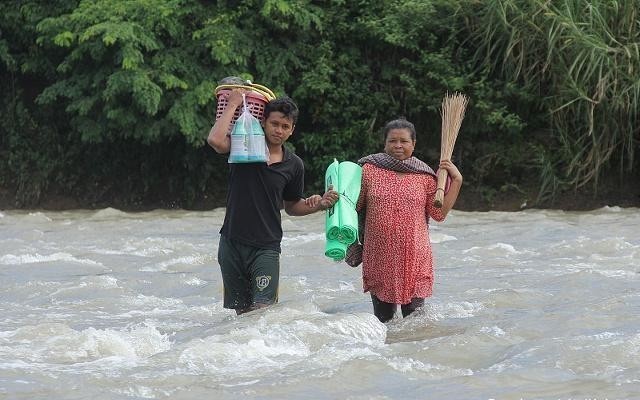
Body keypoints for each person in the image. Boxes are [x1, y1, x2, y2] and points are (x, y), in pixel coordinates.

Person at [207, 89, 339, 315]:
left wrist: (317, 204)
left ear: (292, 130)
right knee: (242, 313)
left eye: (285, 127)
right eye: (274, 124)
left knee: (263, 310)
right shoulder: (244, 146)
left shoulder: (294, 165)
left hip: (266, 246)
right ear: (263, 122)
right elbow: (216, 140)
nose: (279, 130)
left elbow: (291, 206)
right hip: (231, 243)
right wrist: (233, 105)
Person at [349, 117, 463, 323]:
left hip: (415, 258)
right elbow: (353, 207)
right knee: (384, 321)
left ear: (414, 144)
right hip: (379, 256)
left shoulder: (426, 177)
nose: (398, 146)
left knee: (415, 323)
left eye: (404, 141)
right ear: (384, 143)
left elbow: (439, 214)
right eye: (393, 141)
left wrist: (457, 180)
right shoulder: (368, 170)